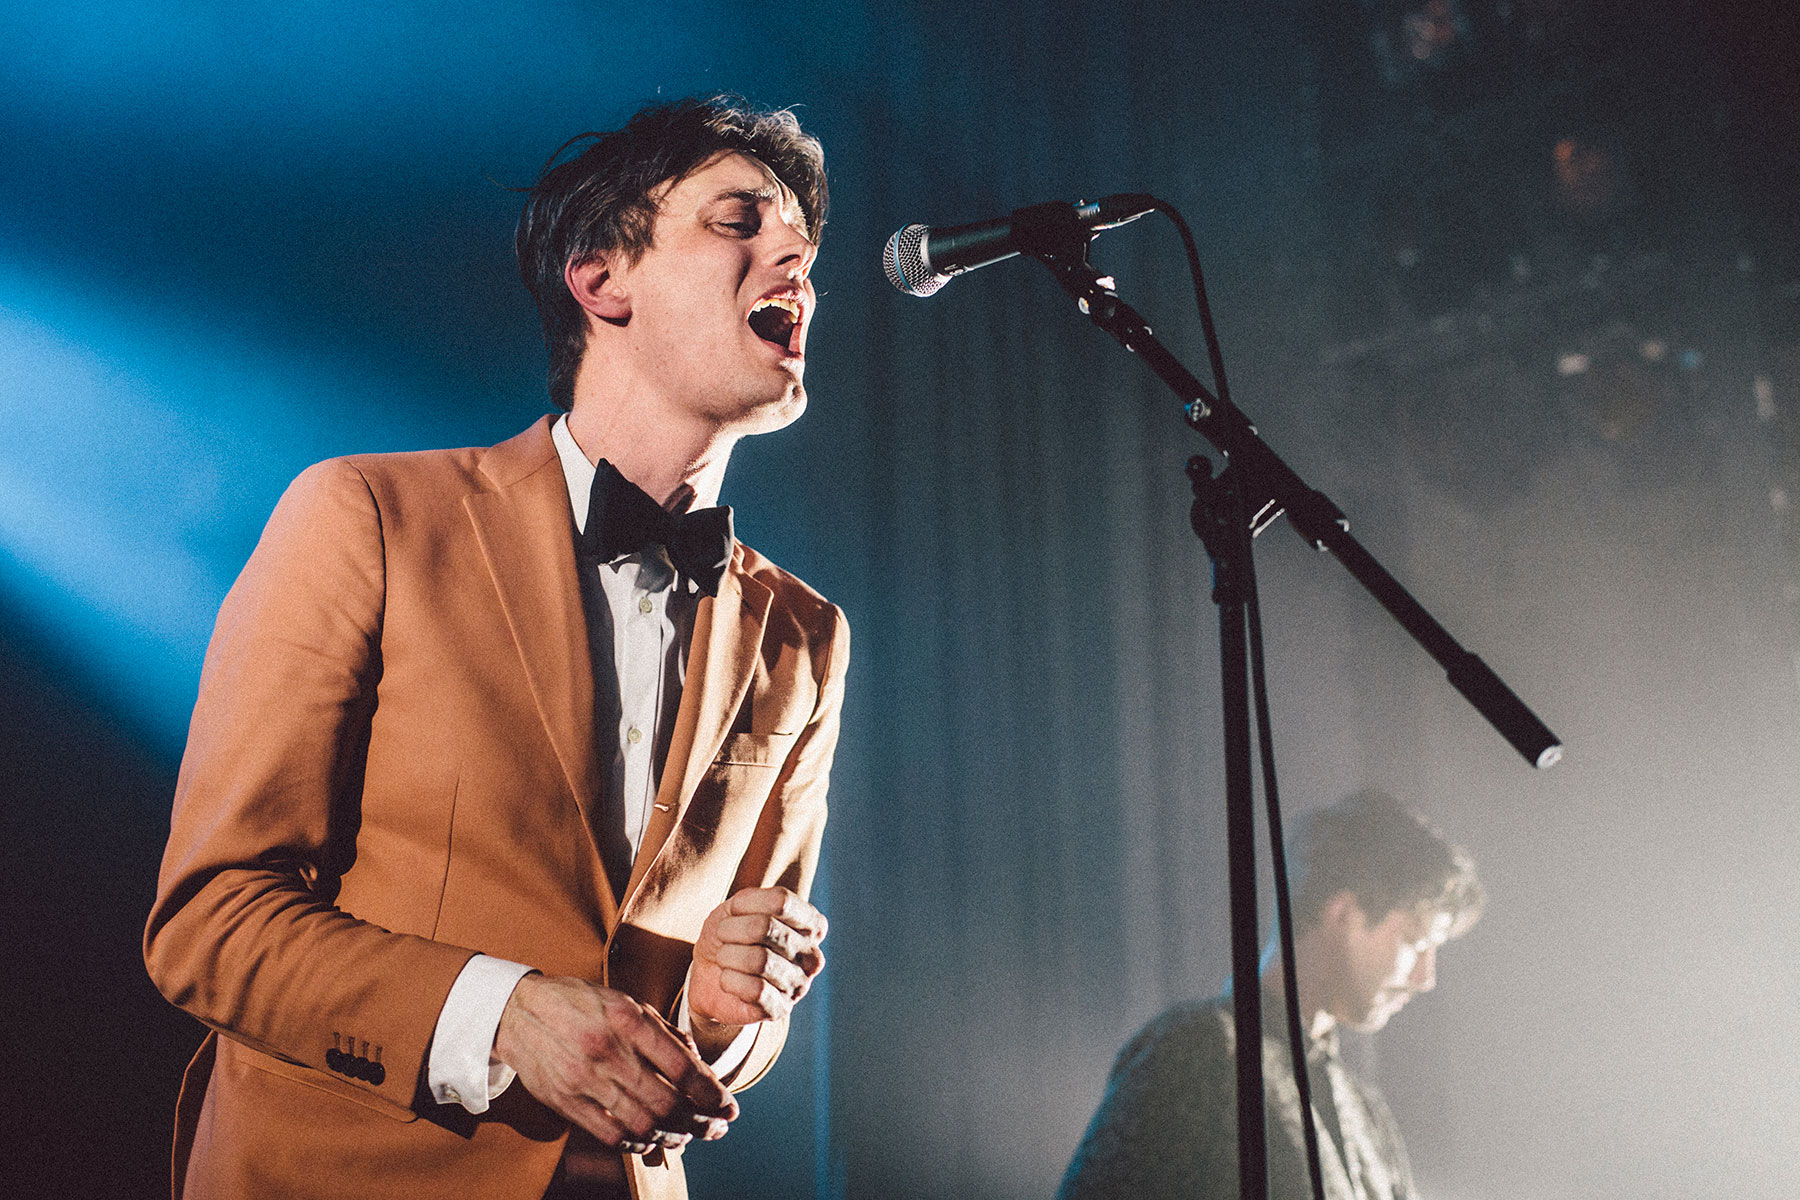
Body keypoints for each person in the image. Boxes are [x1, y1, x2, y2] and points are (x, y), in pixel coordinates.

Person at [143, 96, 847, 1200]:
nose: (796, 254)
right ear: (600, 280)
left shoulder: (805, 635)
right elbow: (211, 921)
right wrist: (503, 1012)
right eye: (739, 222)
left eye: (802, 240)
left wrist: (719, 1018)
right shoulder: (366, 516)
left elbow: (736, 1031)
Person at [1058, 791, 1484, 1200]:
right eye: (1414, 941)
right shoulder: (1198, 1051)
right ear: (1341, 915)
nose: (1426, 978)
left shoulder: (1365, 1109)